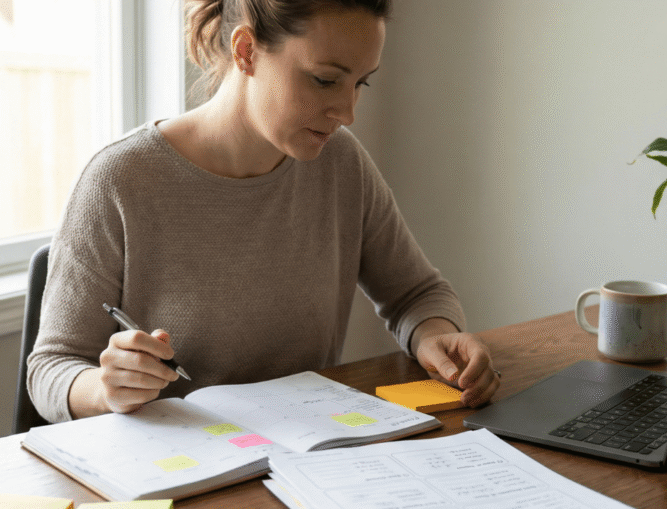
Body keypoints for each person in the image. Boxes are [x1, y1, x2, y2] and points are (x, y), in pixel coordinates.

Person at [27, 0, 500, 423]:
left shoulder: (341, 164)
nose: (347, 111)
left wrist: (435, 336)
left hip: (303, 460)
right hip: (177, 471)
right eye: (325, 80)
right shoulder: (119, 180)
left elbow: (415, 292)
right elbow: (51, 369)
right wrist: (105, 389)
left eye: (361, 83)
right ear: (247, 51)